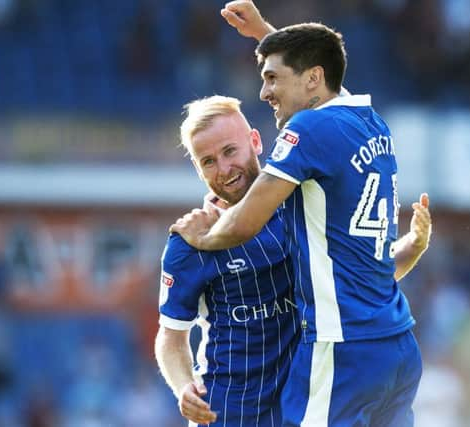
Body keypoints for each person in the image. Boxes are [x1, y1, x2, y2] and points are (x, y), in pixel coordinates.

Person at [170, 2, 432, 426]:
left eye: (272, 79)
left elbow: (244, 223)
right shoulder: (369, 121)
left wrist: (200, 237)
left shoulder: (308, 130)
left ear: (313, 78)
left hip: (342, 350)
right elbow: (318, 68)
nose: (264, 92)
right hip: (397, 347)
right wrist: (266, 36)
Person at [155, 95, 300, 427]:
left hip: (301, 410)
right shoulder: (188, 243)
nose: (223, 169)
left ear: (255, 142)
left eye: (229, 151)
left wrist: (411, 246)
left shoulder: (300, 207)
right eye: (207, 161)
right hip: (227, 413)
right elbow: (171, 337)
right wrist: (183, 388)